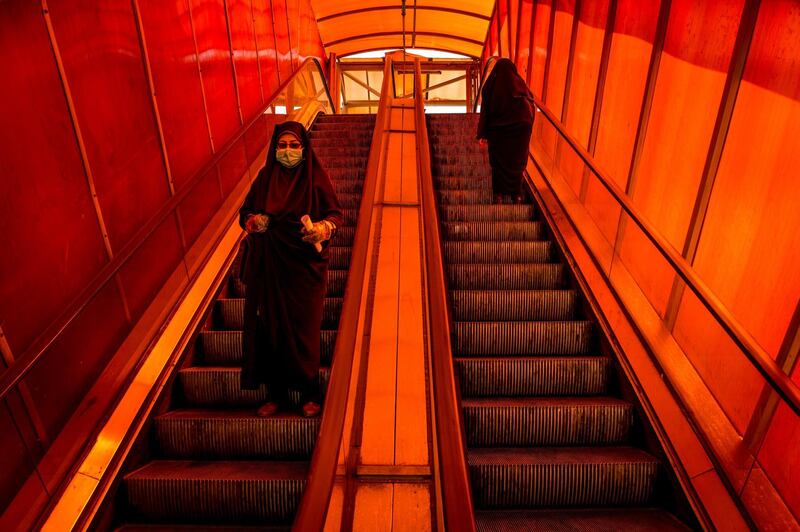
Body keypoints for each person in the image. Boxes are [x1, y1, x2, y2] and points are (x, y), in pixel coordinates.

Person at [238, 120, 343, 418]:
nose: (287, 151)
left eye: (293, 146)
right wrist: (254, 221)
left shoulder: (315, 179)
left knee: (305, 329)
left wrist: (325, 228)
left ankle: (310, 392)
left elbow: (335, 214)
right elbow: (245, 211)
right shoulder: (265, 178)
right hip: (271, 263)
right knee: (272, 328)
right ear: (274, 149)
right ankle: (277, 393)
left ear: (304, 148)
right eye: (282, 146)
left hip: (305, 267)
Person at [476, 58, 535, 204]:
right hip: (520, 133)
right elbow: (531, 106)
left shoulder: (490, 86)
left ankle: (498, 195)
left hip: (498, 132)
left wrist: (482, 134)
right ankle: (517, 194)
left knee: (498, 163)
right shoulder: (521, 86)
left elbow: (485, 112)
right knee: (516, 163)